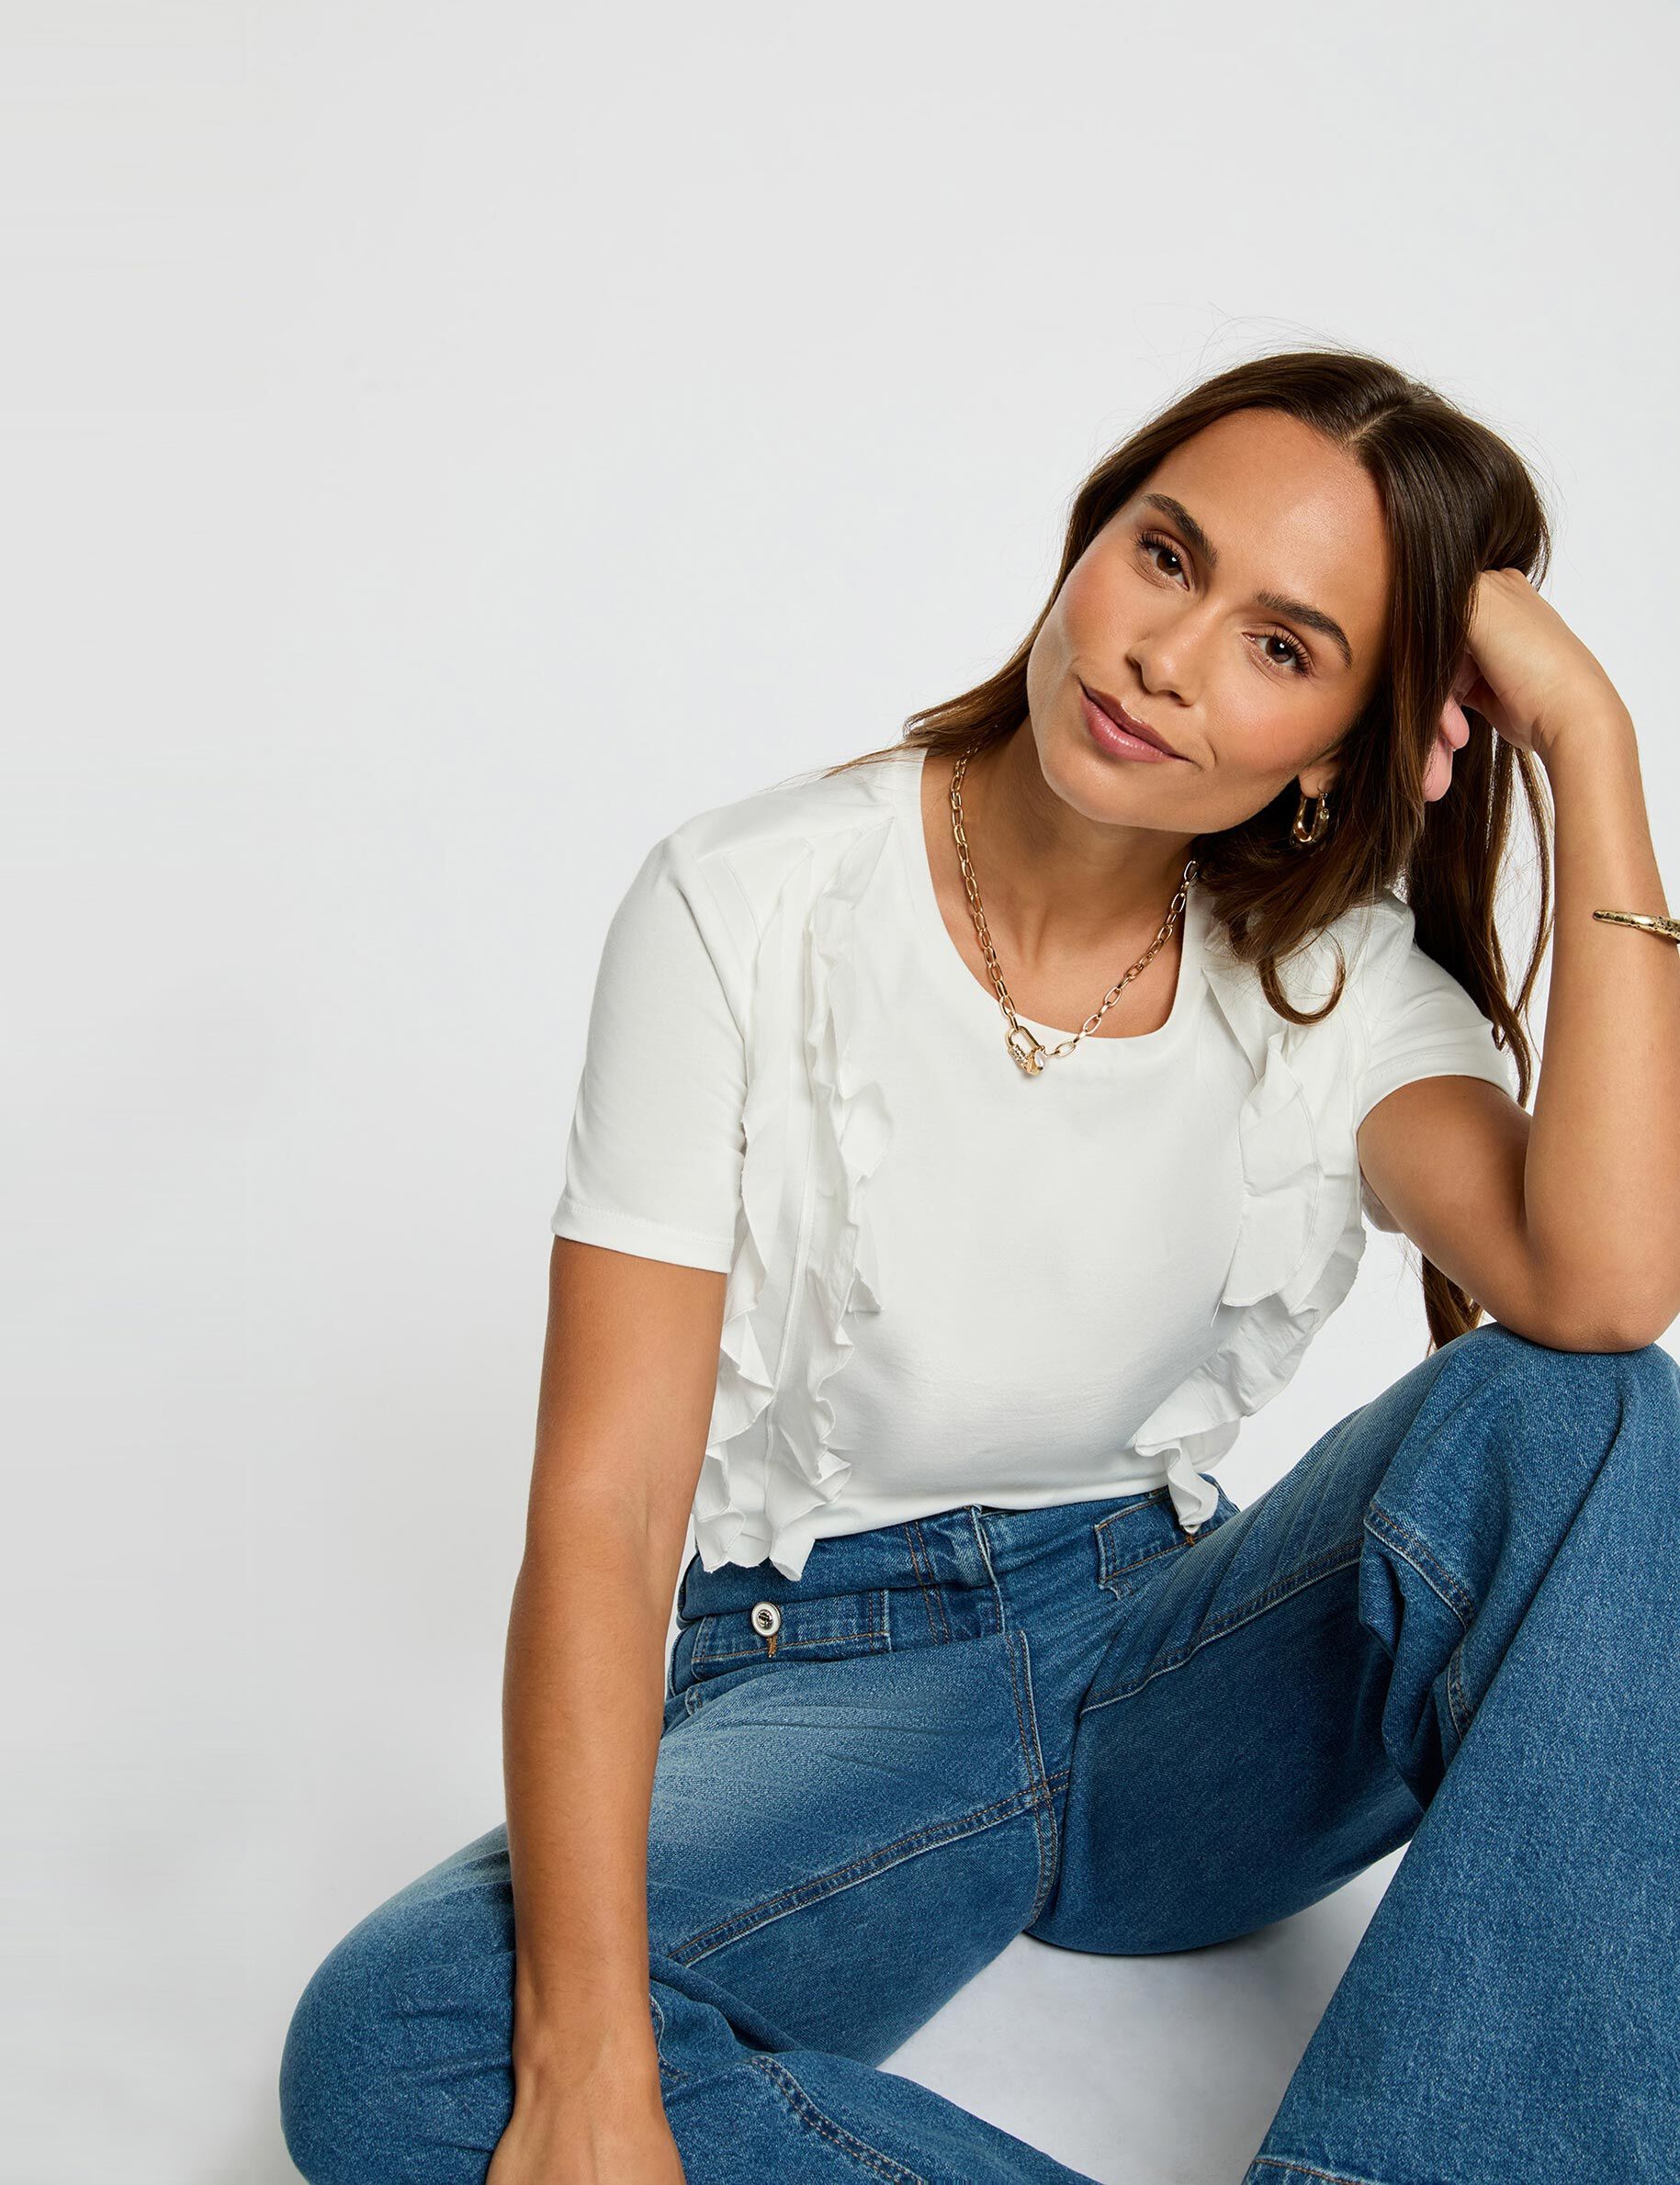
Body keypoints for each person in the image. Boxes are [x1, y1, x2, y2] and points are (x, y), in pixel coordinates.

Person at [277, 348, 1680, 2185]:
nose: (1168, 655)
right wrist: (594, 2048)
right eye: (1166, 557)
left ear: (1341, 743)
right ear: (1091, 534)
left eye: (1284, 645)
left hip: (1179, 1675)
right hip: (829, 1681)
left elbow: (1601, 1292)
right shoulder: (748, 903)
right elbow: (607, 1509)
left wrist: (1594, 739)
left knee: (1584, 1414)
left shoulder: (1334, 983)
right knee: (404, 2045)